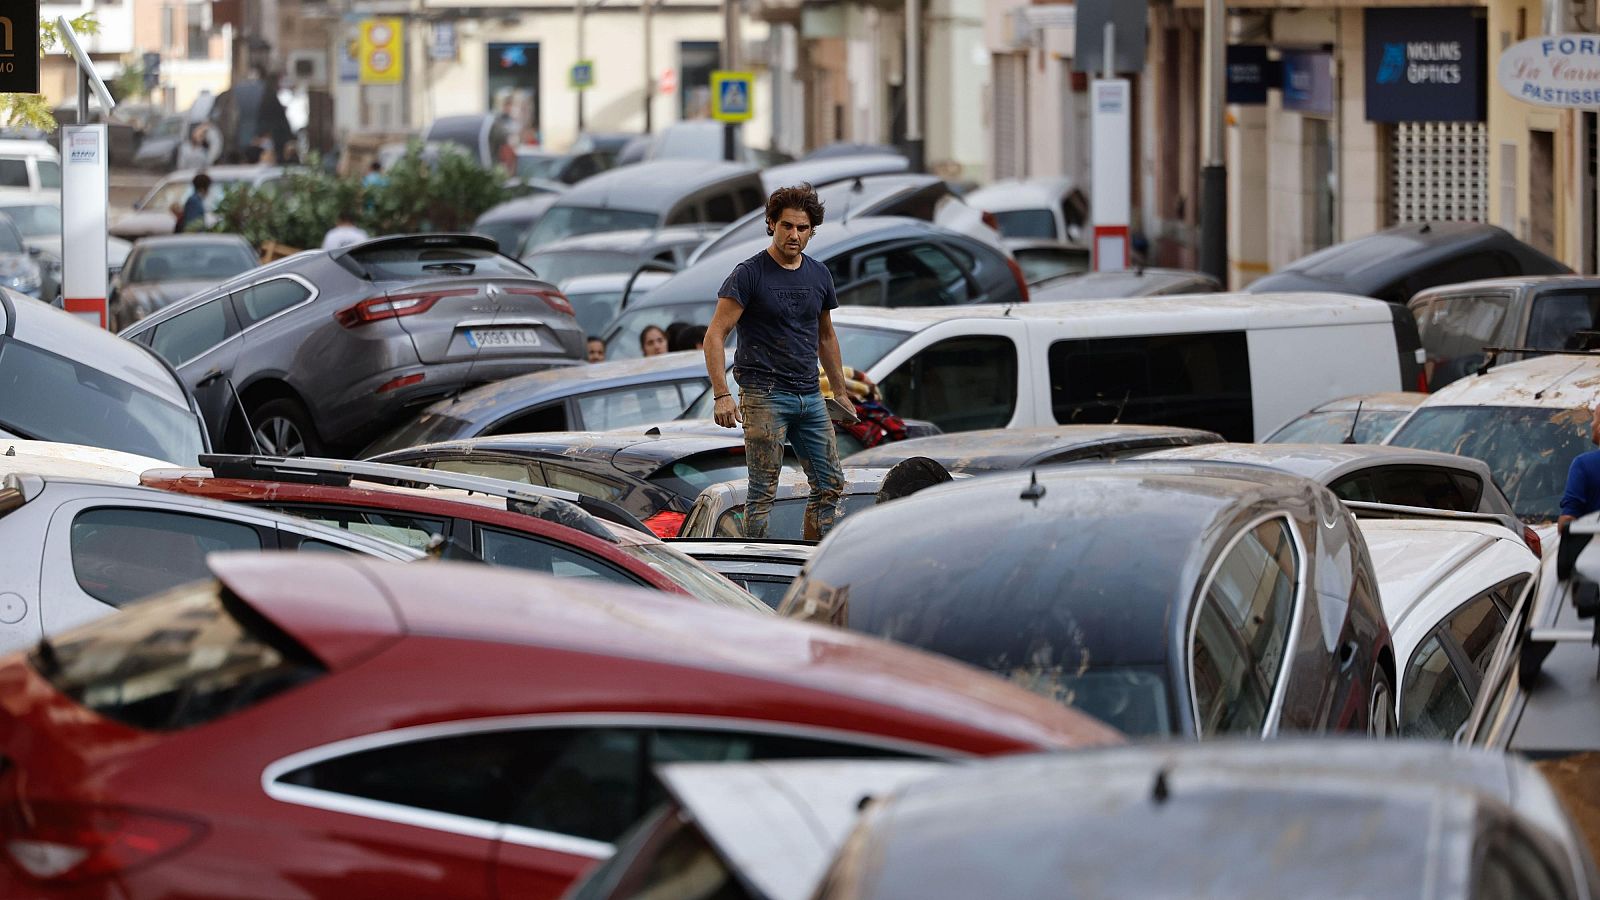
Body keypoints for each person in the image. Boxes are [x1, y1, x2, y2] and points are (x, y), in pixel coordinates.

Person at [704, 183, 855, 541]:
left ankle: (810, 560)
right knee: (762, 494)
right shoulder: (750, 274)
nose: (794, 234)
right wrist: (721, 394)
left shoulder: (819, 274)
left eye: (802, 228)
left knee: (830, 483)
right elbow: (715, 334)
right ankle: (752, 573)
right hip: (764, 395)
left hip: (809, 394)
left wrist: (840, 392)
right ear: (772, 224)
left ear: (812, 231)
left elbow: (826, 336)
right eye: (787, 225)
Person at [1560, 403, 1600, 529]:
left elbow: (1568, 520)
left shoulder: (1583, 464)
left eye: (1595, 419)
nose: (1591, 425)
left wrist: (1563, 525)